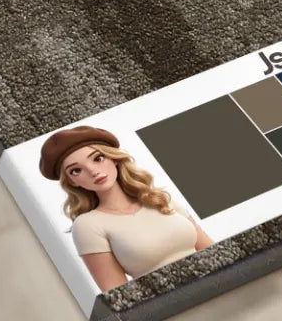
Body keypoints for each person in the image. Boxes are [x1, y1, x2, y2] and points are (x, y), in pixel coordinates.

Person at [39, 125, 213, 292]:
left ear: (113, 158)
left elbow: (215, 250)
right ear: (71, 182)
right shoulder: (88, 225)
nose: (93, 171)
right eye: (76, 170)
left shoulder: (159, 198)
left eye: (98, 158)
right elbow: (121, 297)